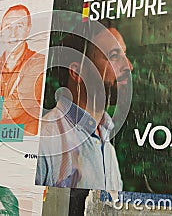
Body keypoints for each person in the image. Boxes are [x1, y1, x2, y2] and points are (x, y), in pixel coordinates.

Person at [35, 26, 133, 190]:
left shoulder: (107, 146)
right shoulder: (43, 143)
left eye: (125, 55)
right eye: (114, 56)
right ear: (77, 72)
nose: (129, 66)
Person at [0, 4, 45, 136]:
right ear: (1, 30)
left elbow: (18, 104)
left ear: (28, 29)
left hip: (22, 142)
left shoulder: (39, 62)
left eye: (19, 26)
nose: (12, 34)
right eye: (8, 27)